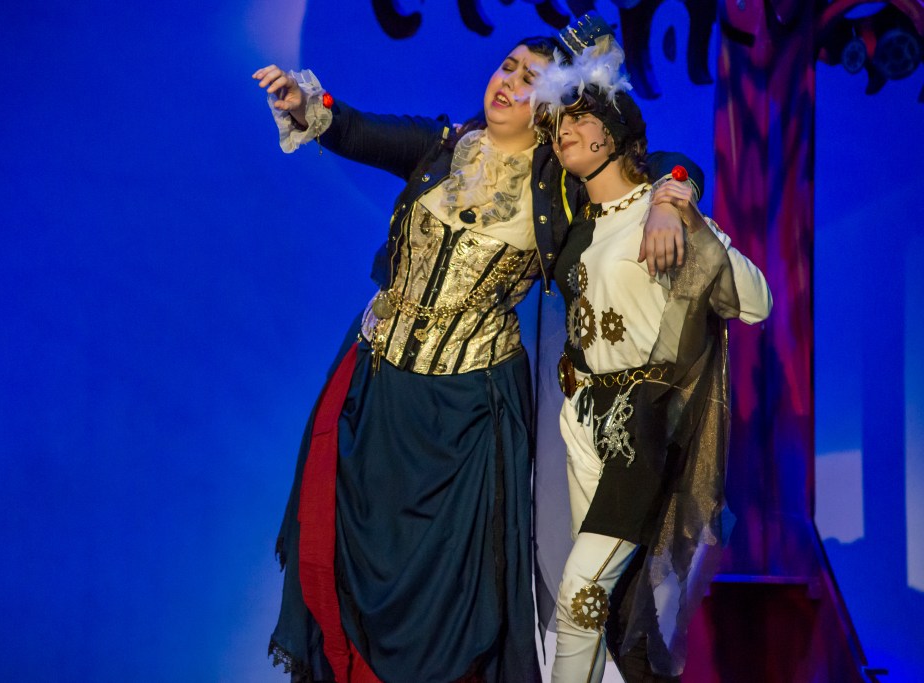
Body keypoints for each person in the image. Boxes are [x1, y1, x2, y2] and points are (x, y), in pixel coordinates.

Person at [254, 20, 703, 683]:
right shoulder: (442, 146)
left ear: (553, 108)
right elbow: (351, 126)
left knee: (452, 597)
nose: (509, 82)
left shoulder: (559, 190)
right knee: (344, 561)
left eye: (530, 79)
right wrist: (304, 103)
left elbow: (661, 162)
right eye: (507, 66)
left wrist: (668, 198)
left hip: (468, 415)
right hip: (375, 393)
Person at [531, 31, 773, 683]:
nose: (564, 130)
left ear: (613, 132)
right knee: (616, 613)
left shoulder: (661, 207)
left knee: (581, 593)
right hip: (583, 421)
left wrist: (681, 209)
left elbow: (755, 302)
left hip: (642, 422)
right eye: (558, 122)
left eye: (581, 117)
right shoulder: (579, 223)